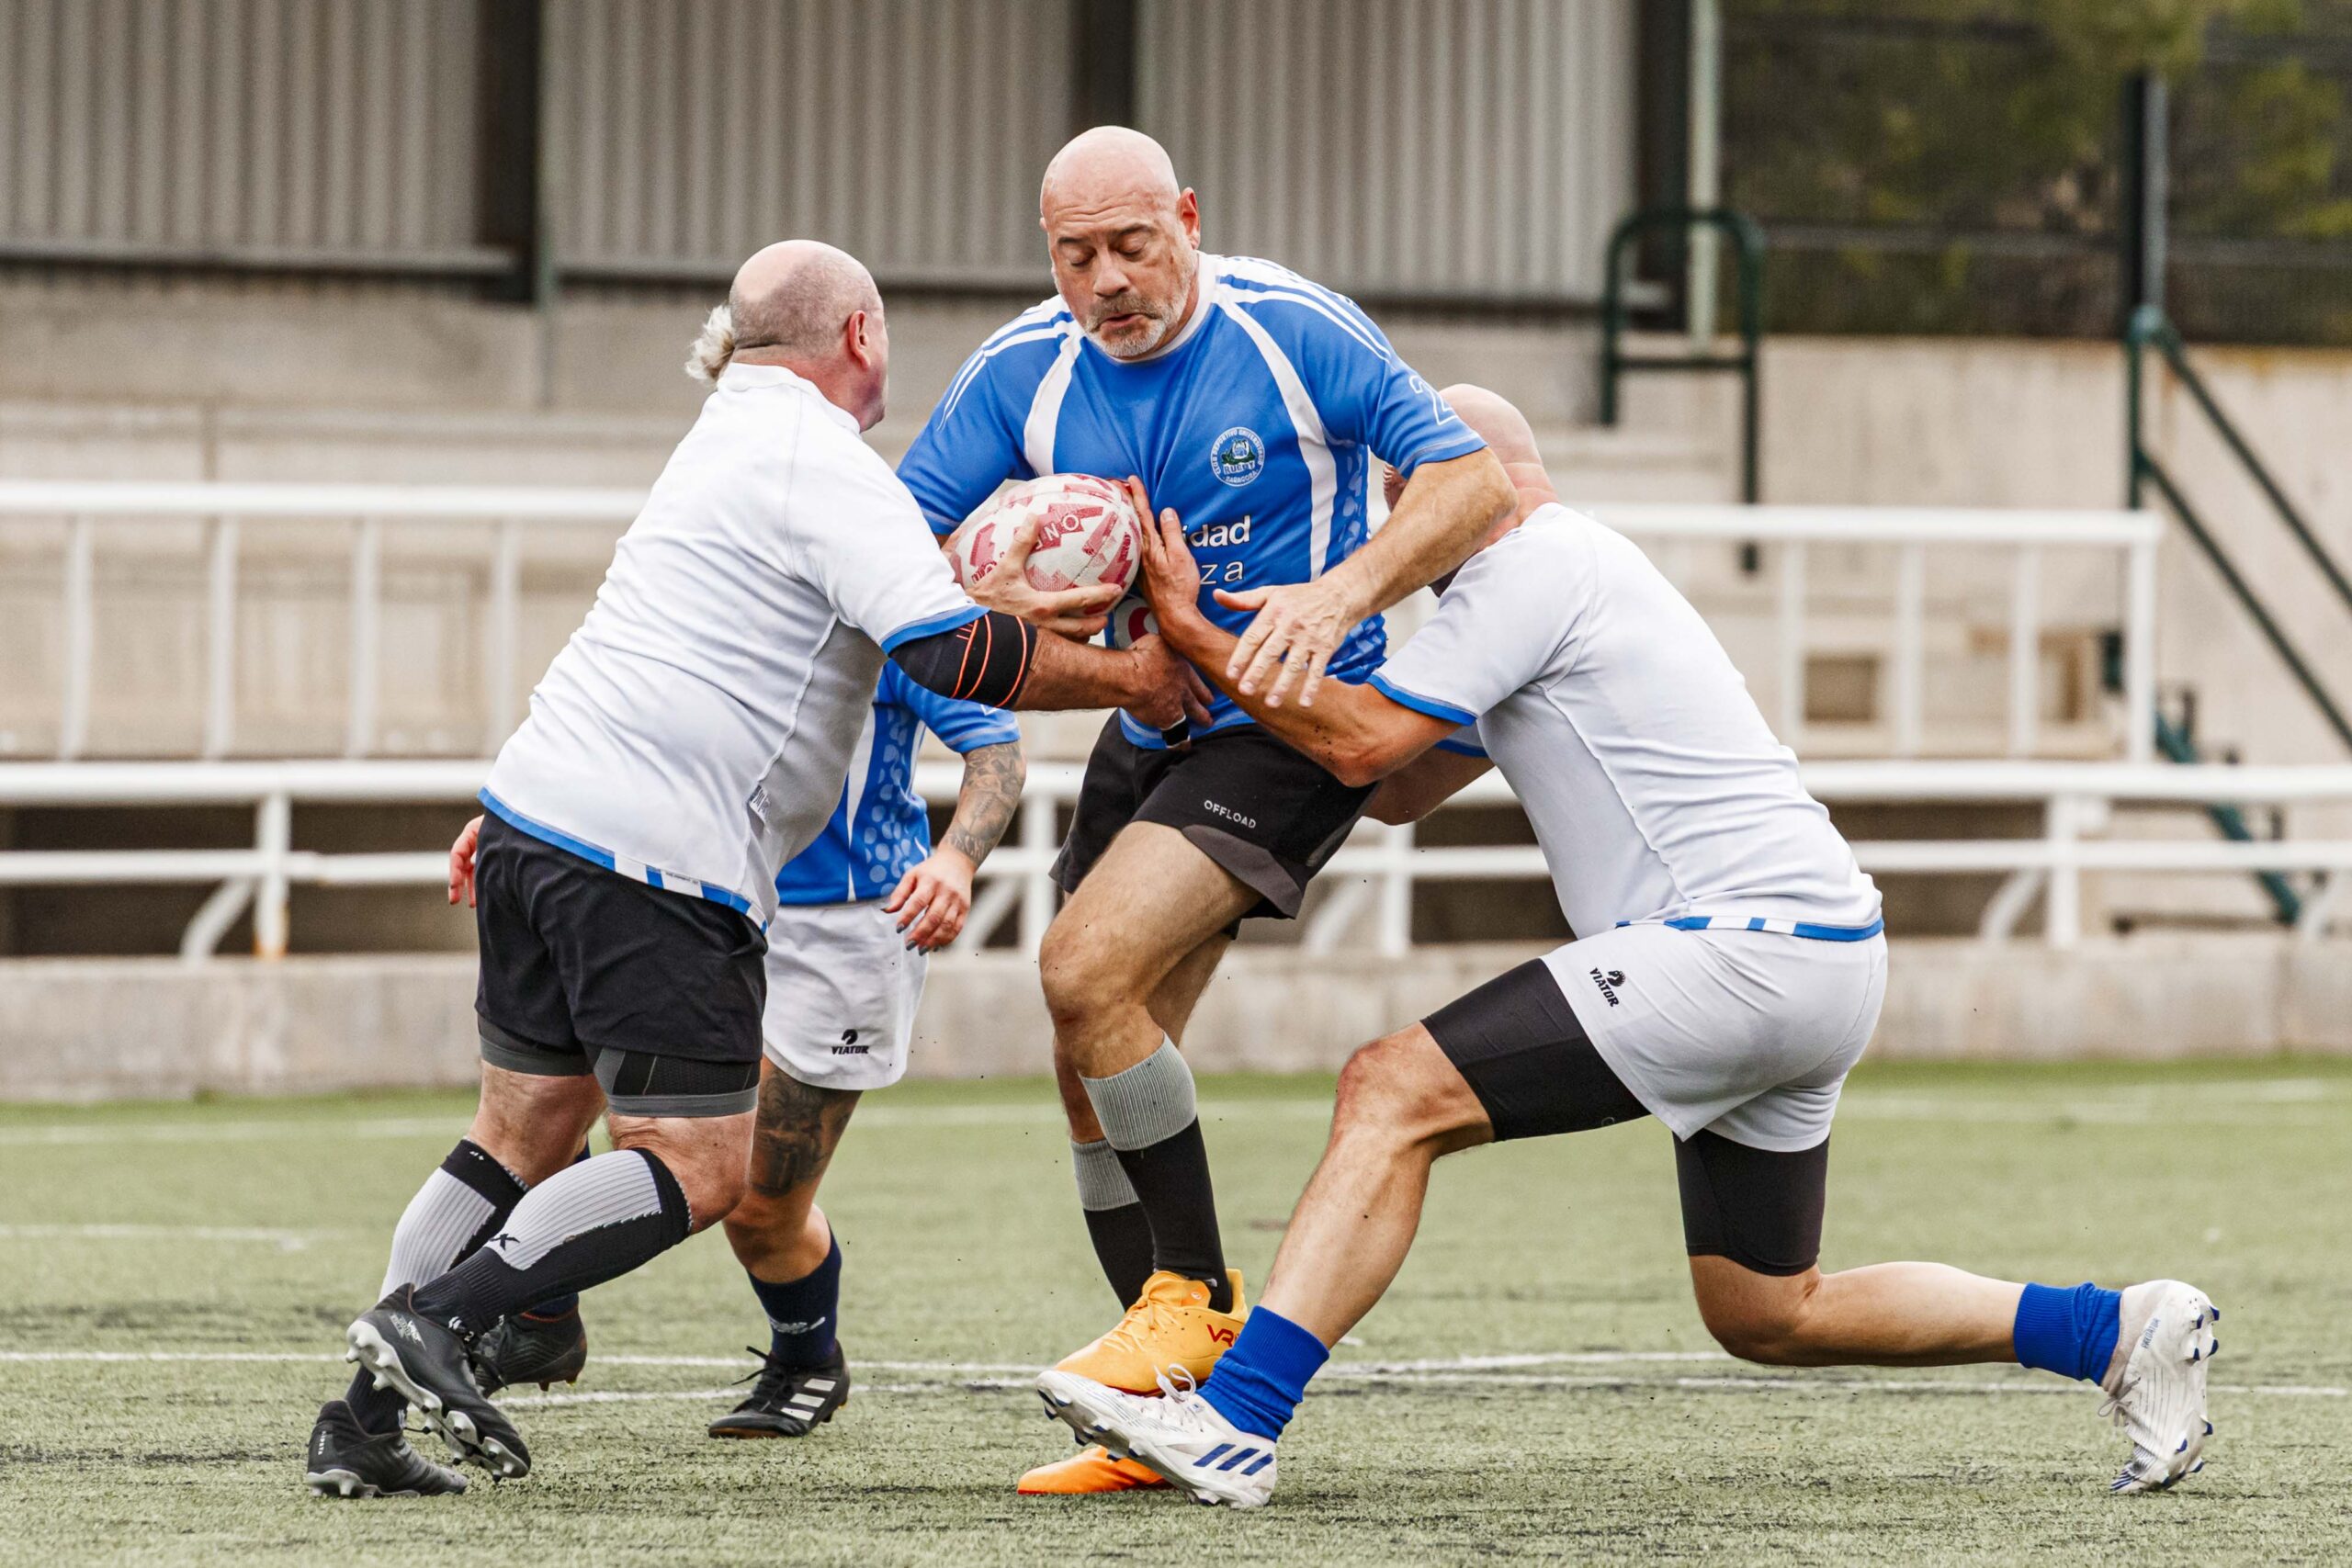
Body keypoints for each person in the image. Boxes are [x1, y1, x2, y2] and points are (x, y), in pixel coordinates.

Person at [1035, 389, 2220, 1507]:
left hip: (1736, 948)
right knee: (1768, 1311)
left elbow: (1355, 751)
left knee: (1390, 1088)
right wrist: (1217, 688)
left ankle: (1236, 1420)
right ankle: (2116, 1329)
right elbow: (1393, 789)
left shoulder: (1524, 565)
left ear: (1439, 493)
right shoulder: (1565, 568)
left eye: (1392, 501)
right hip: (1819, 947)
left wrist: (1191, 629)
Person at [302, 239, 1204, 1499]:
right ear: (863, 338)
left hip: (534, 809)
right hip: (654, 855)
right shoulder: (822, 461)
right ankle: (446, 1314)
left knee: (516, 1133)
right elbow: (949, 653)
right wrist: (1137, 676)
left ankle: (359, 1422)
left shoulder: (720, 433)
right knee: (706, 1162)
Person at [895, 126, 1514, 1495]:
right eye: (1077, 256)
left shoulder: (1291, 330)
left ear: (1186, 216)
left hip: (1291, 723)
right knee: (1086, 1044)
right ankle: (1162, 1401)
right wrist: (1008, 593)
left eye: (1134, 243)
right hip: (1151, 716)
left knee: (1082, 965)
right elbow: (894, 564)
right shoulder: (1020, 374)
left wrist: (1337, 596)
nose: (1110, 278)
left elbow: (1470, 481)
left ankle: (1188, 1290)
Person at [442, 660, 1026, 1440]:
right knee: (608, 1130)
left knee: (754, 1202)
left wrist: (956, 857)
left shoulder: (891, 598)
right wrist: (533, 815)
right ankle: (543, 1318)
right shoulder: (725, 590)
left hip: (845, 928)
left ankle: (808, 1355)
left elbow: (998, 751)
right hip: (706, 897)